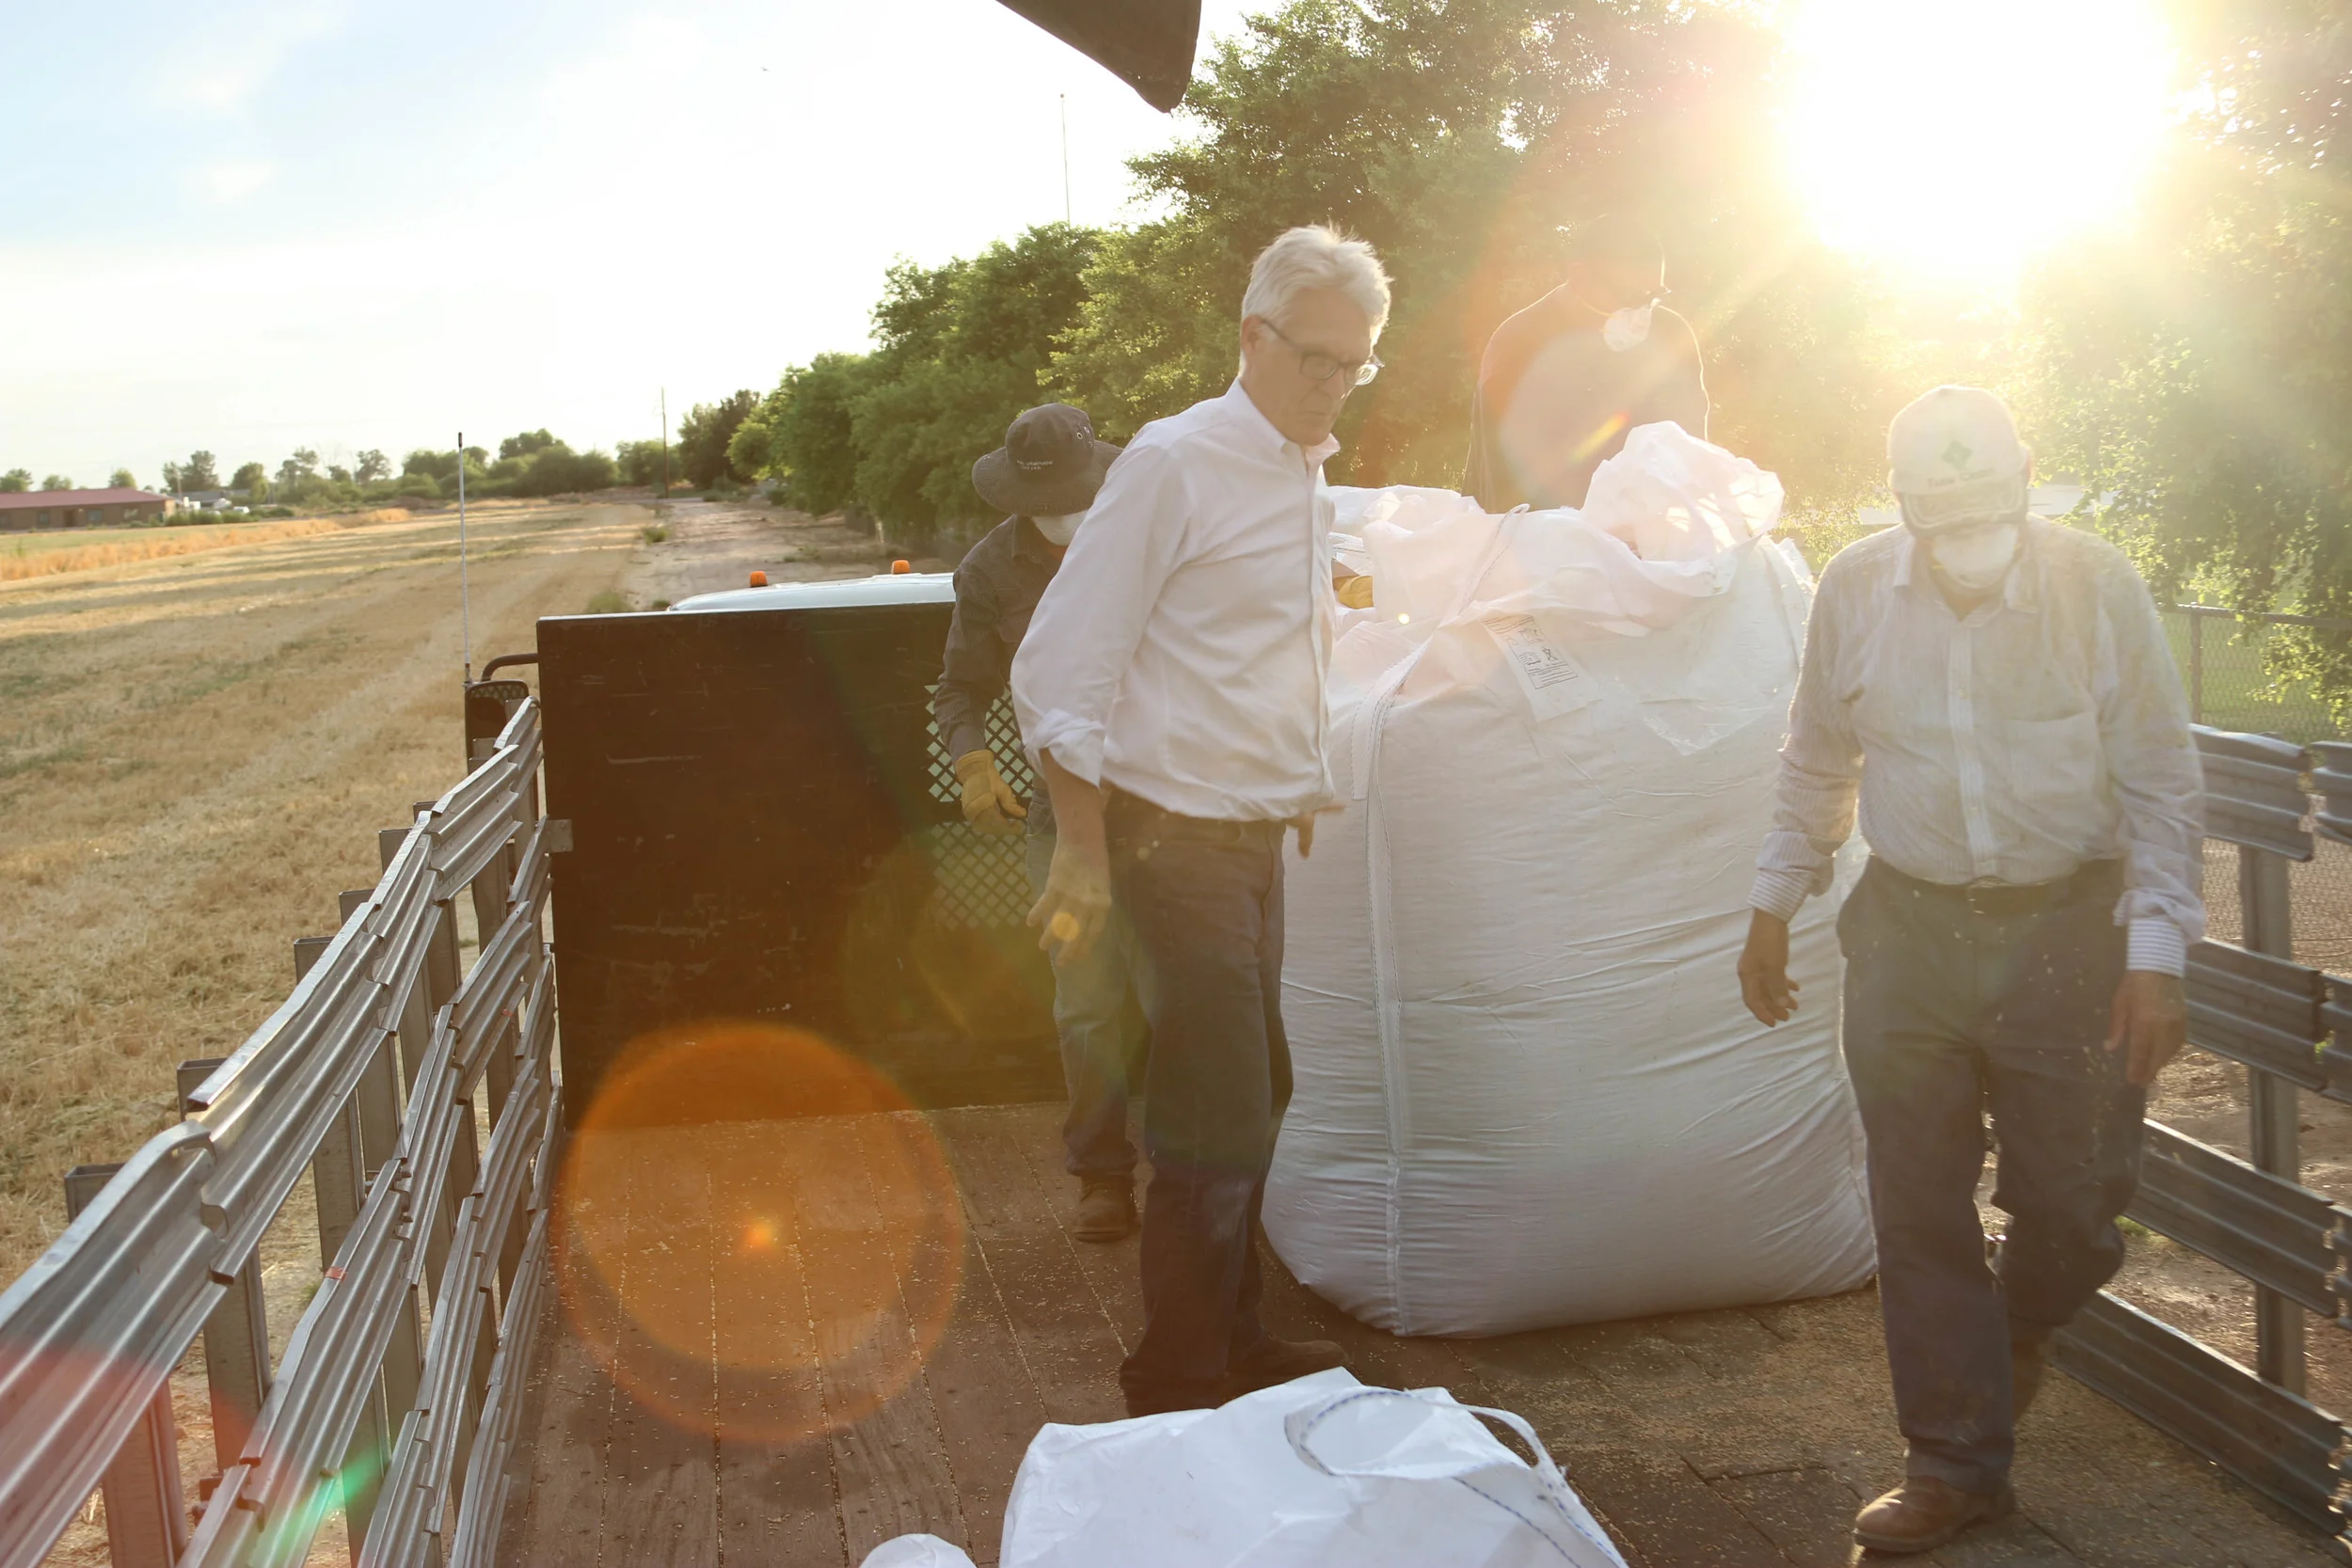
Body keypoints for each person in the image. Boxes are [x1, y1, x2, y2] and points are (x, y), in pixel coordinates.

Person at [1736, 386, 2202, 1555]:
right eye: (1942, 517)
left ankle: (2008, 1339)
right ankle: (1951, 1459)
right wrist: (1770, 901)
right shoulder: (1854, 591)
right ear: (1904, 510)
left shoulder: (2095, 586)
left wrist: (2154, 957)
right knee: (1916, 1198)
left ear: (2025, 483)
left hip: (2068, 931)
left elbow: (2159, 779)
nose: (1969, 540)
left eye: (1988, 509)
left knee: (2079, 1201)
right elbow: (1815, 758)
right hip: (1909, 929)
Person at [1013, 225, 1388, 1418]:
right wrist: (1079, 847)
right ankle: (1175, 1387)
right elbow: (1058, 665)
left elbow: (1272, 645)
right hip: (1169, 841)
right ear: (1252, 337)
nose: (1333, 382)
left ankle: (1230, 1343)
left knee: (1254, 1088)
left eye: (1356, 363)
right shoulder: (1178, 462)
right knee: (1213, 1107)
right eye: (1317, 357)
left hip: (1250, 835)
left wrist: (1302, 776)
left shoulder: (1298, 468)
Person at [935, 402, 1146, 1243]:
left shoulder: (1146, 534)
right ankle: (1102, 1177)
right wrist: (972, 761)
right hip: (1063, 818)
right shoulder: (991, 571)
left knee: (1182, 995)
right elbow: (959, 687)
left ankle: (1203, 1181)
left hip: (1170, 801)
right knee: (1086, 1000)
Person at [1464, 214, 1708, 513]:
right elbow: (1506, 490)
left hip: (1648, 537)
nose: (1641, 309)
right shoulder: (1518, 345)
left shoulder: (1670, 336)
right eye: (1628, 294)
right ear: (1580, 277)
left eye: (1653, 296)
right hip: (1540, 537)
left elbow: (1691, 447)